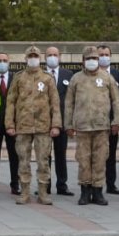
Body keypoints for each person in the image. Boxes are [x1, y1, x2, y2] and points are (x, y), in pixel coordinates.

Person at [65, 46, 119, 206]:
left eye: (95, 58)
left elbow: (117, 101)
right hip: (82, 127)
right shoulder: (76, 78)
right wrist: (68, 124)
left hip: (101, 127)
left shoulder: (107, 78)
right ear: (83, 61)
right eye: (89, 58)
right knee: (84, 160)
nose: (92, 61)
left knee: (99, 160)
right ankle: (85, 191)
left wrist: (117, 121)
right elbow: (69, 103)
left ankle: (98, 192)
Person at [4, 45, 61, 204]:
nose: (33, 59)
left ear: (40, 58)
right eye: (30, 56)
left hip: (43, 127)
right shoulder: (19, 78)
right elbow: (10, 102)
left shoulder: (47, 79)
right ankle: (25, 192)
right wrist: (9, 123)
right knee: (23, 160)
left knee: (43, 160)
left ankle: (43, 193)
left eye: (35, 56)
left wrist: (56, 125)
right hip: (23, 126)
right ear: (26, 59)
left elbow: (55, 103)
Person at [0, 51, 21, 198]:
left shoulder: (16, 78)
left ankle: (15, 184)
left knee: (14, 155)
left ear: (9, 62)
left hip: (12, 123)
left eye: (5, 60)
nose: (2, 63)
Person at [44, 45, 74, 197]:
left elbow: (72, 100)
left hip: (62, 122)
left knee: (61, 155)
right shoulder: (41, 75)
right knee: (45, 155)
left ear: (60, 56)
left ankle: (62, 185)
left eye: (55, 54)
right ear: (45, 57)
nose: (52, 57)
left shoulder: (68, 74)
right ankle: (45, 185)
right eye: (49, 55)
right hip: (44, 123)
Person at [99, 45, 119, 196]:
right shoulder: (89, 74)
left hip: (111, 121)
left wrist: (117, 121)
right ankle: (94, 184)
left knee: (111, 154)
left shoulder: (117, 74)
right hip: (95, 121)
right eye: (101, 54)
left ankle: (111, 184)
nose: (104, 57)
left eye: (106, 54)